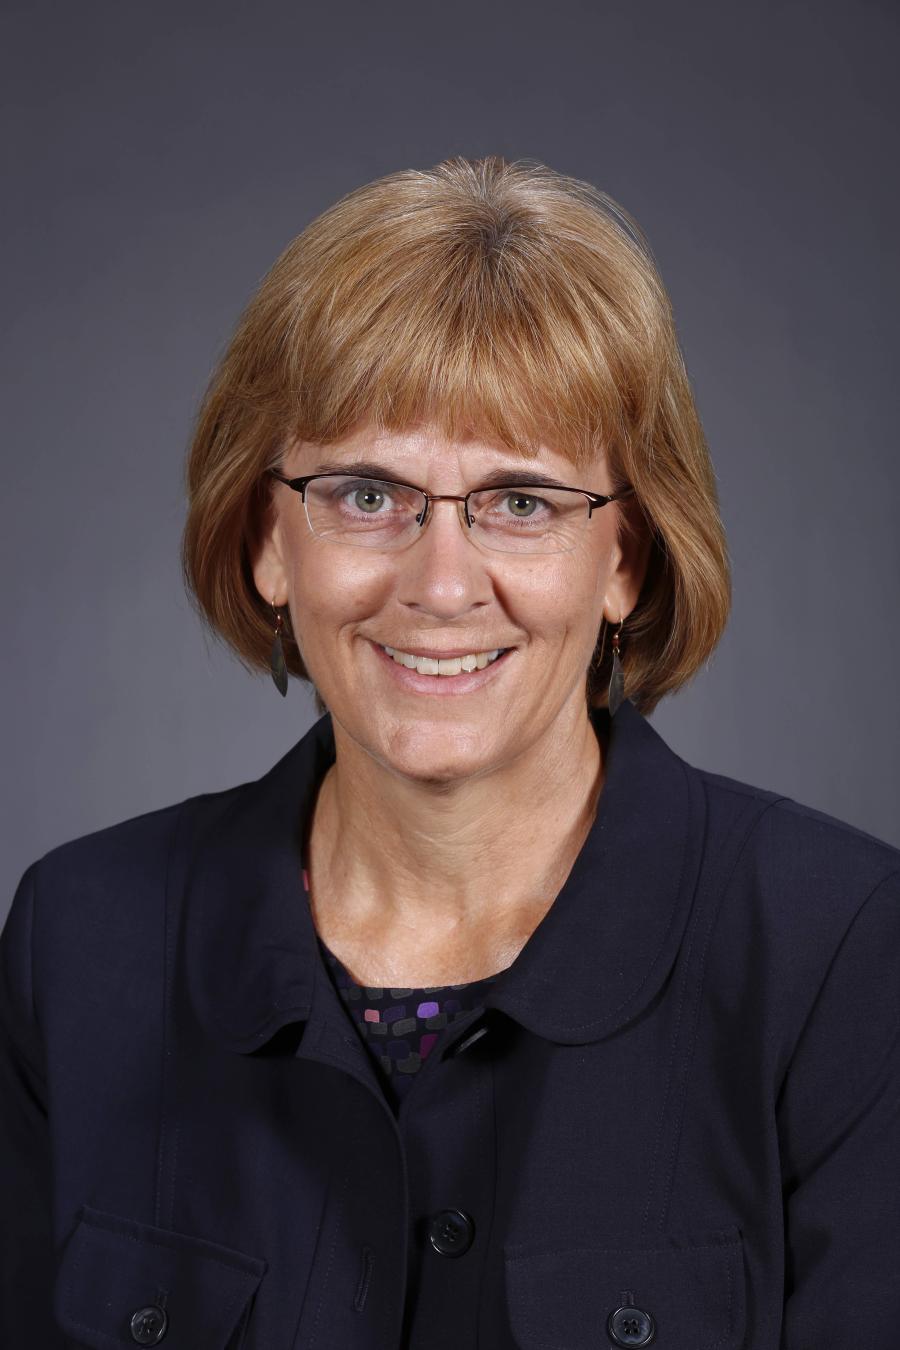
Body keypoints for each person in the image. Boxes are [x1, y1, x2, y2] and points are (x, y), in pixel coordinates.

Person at [1, 156, 898, 1350]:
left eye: (520, 501)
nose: (437, 584)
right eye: (367, 493)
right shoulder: (80, 940)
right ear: (270, 539)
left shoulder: (840, 955)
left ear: (626, 560)